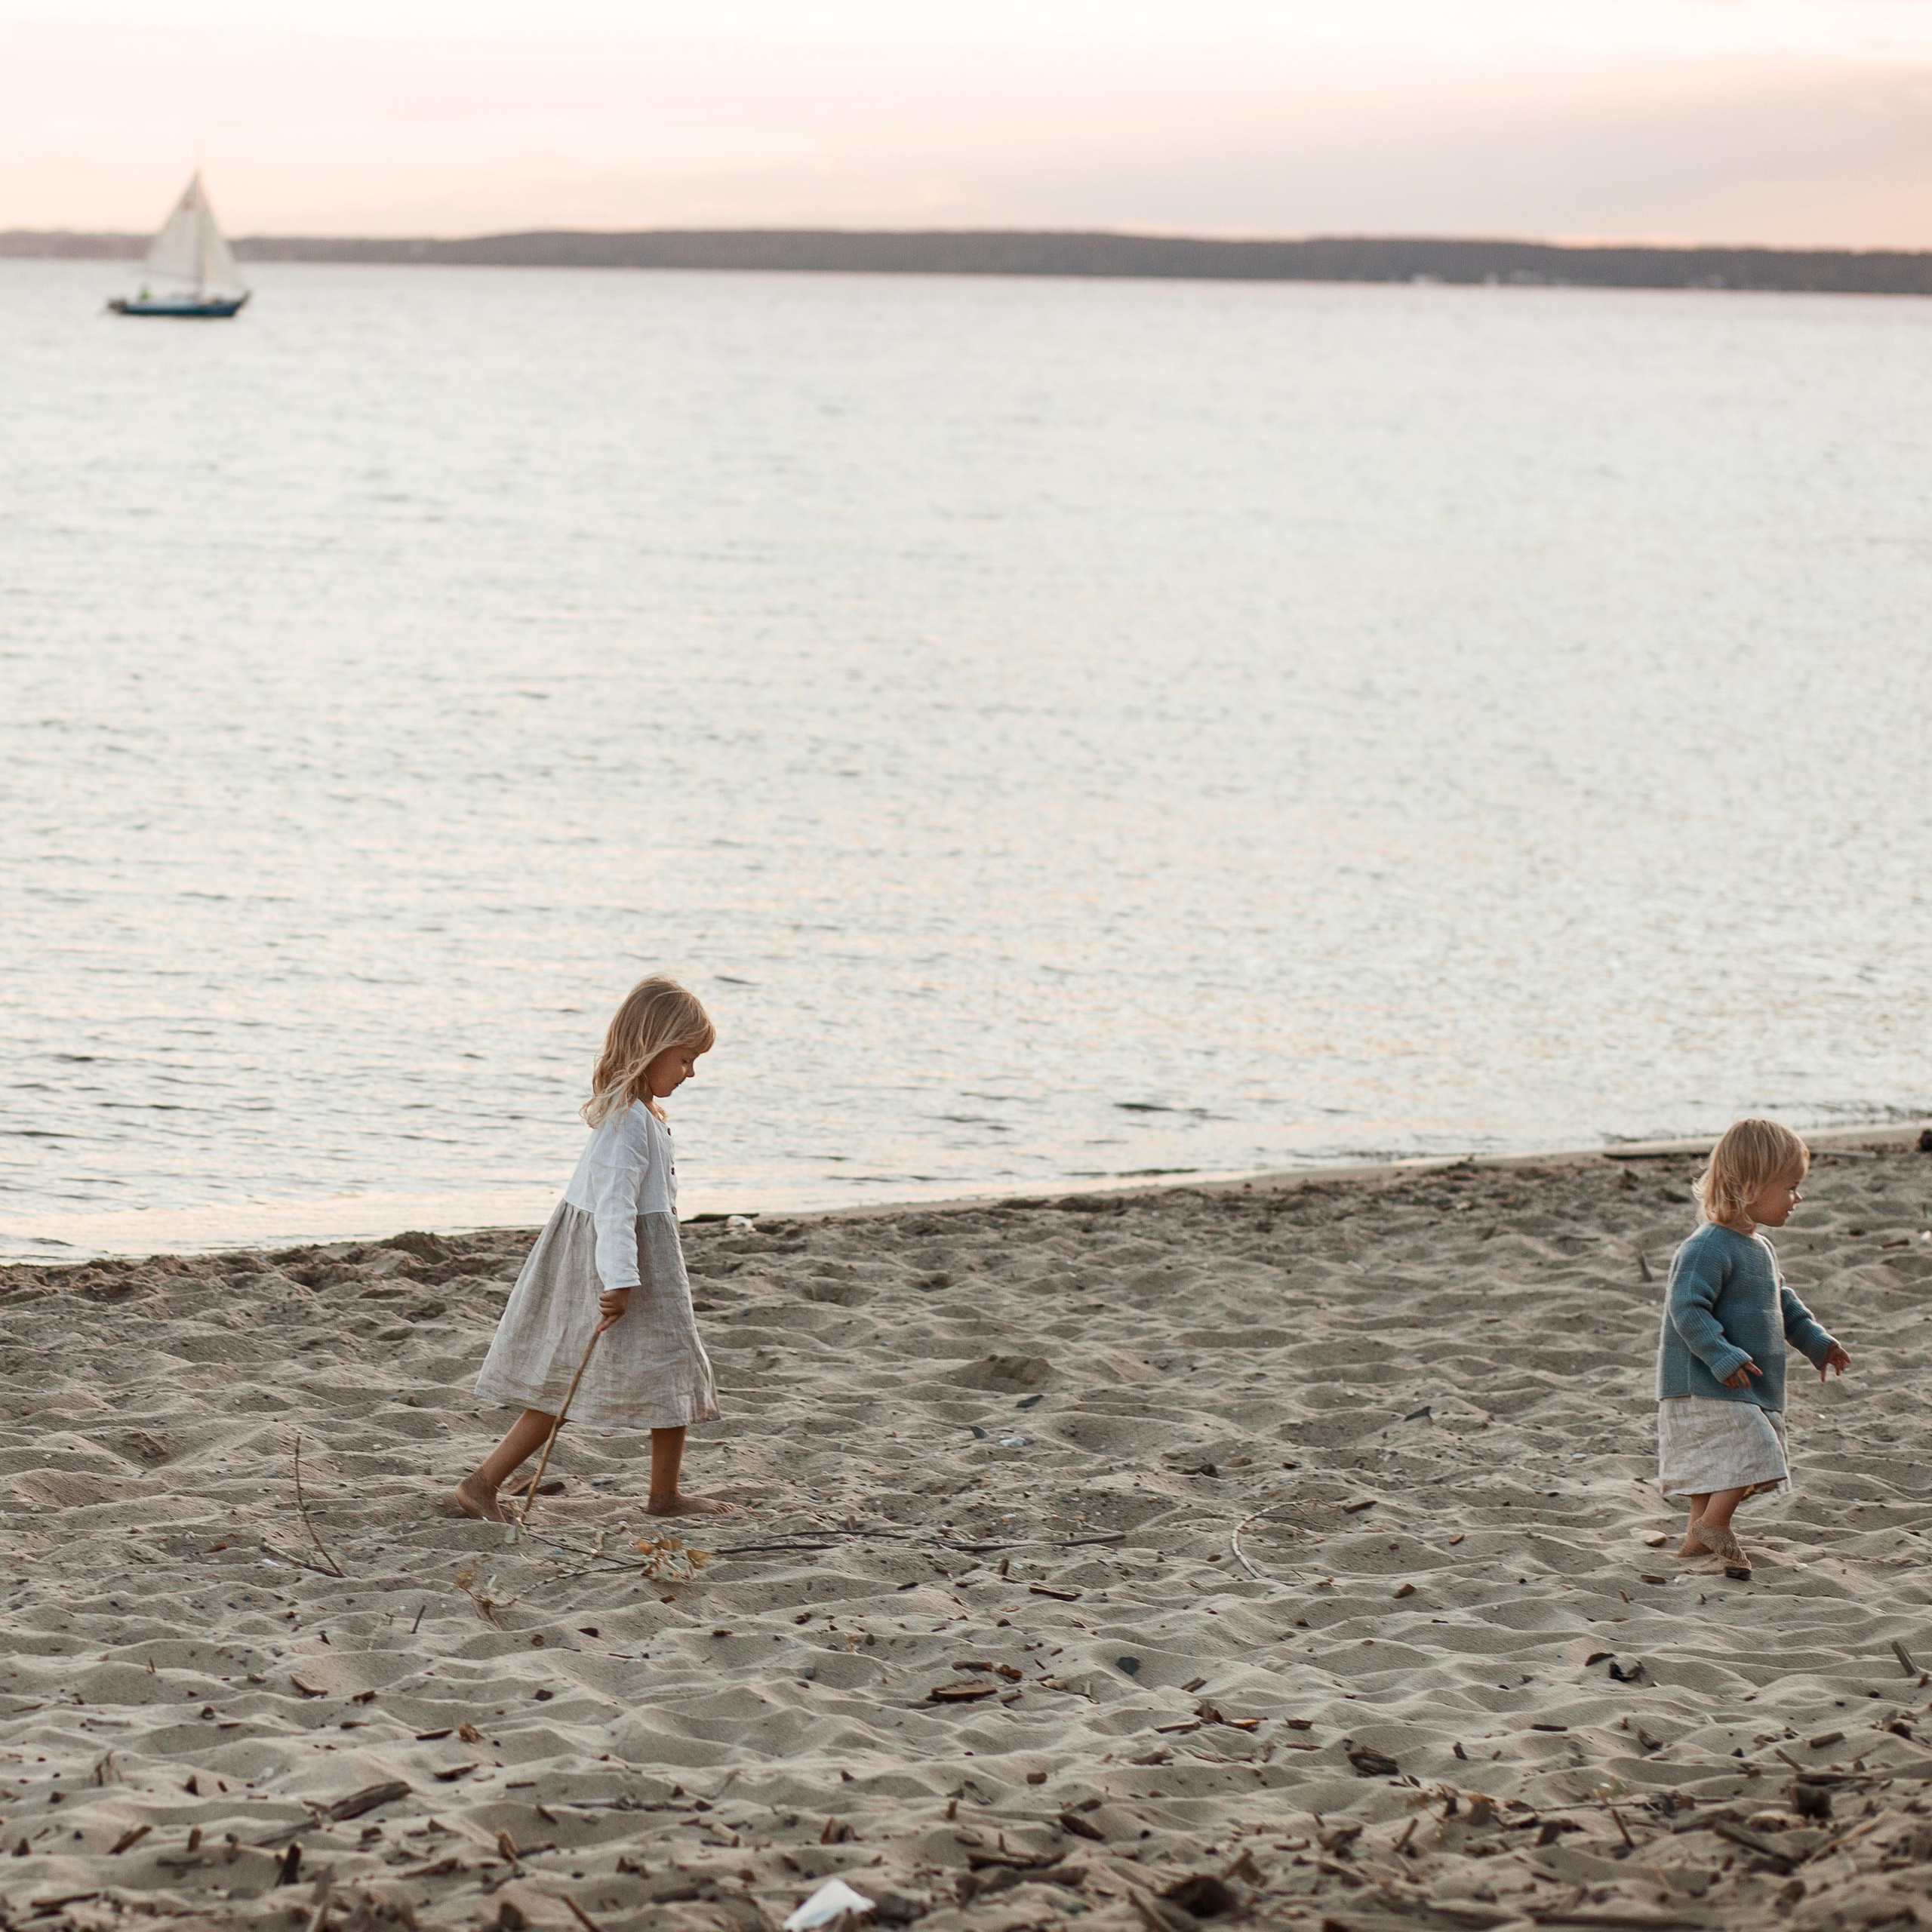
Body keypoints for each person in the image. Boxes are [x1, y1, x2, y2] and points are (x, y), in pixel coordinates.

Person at [455, 975, 736, 1523]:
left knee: (670, 1369)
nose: (691, 1073)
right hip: (619, 1265)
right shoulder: (626, 1123)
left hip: (642, 1260)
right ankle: (482, 1483)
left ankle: (664, 1494)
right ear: (651, 1049)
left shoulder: (642, 1115)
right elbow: (613, 1209)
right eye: (684, 1060)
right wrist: (619, 1281)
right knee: (572, 1376)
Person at [1657, 1118, 1850, 1577]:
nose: (1797, 1198)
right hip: (1704, 1380)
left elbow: (1783, 1304)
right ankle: (1714, 1524)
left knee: (1718, 1465)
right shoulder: (1706, 1247)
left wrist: (1817, 1343)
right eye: (1790, 1187)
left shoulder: (1759, 1247)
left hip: (1740, 1383)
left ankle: (1695, 1540)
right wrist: (1721, 1355)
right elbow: (1686, 1307)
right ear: (1750, 1187)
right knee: (1752, 1450)